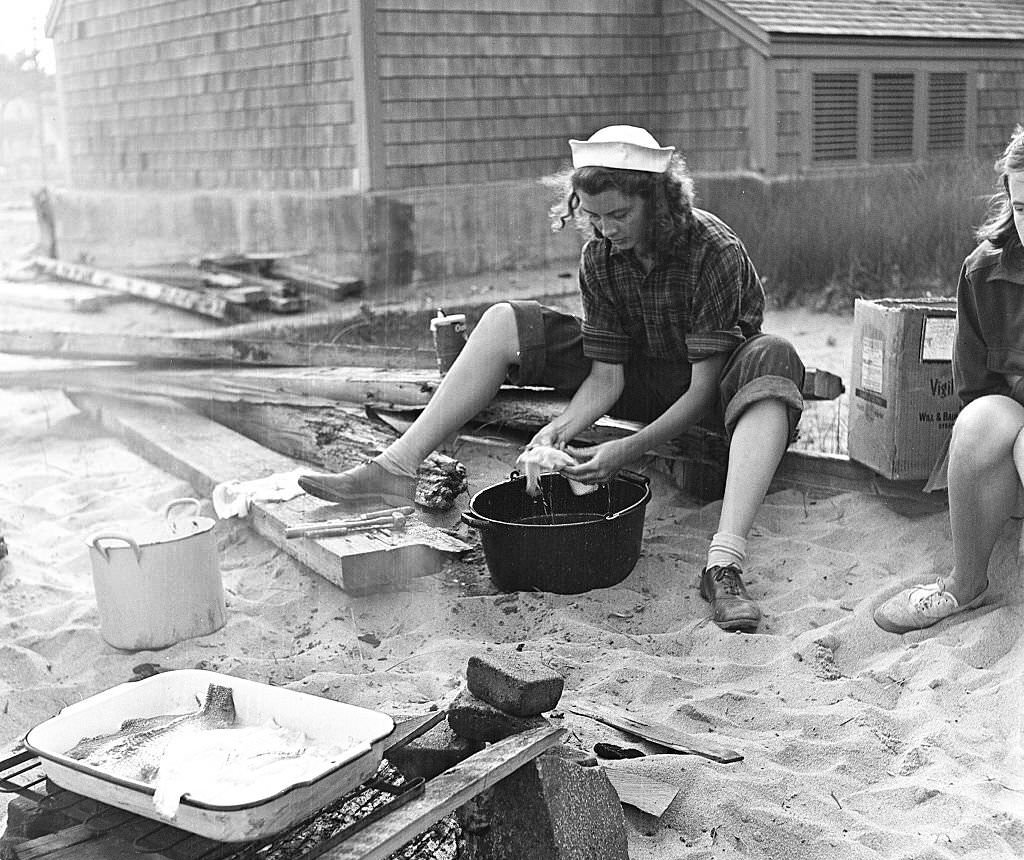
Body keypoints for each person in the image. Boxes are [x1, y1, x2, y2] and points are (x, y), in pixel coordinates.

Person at [300, 125, 805, 632]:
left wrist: (623, 453)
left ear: (658, 200)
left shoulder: (710, 249)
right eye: (593, 215)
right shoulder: (601, 257)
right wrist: (562, 428)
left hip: (712, 391)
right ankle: (397, 466)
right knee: (504, 320)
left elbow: (700, 390)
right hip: (638, 377)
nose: (606, 229)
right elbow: (608, 378)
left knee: (775, 355)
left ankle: (723, 564)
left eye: (619, 214)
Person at [874, 124, 1024, 633]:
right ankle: (966, 583)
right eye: (1023, 208)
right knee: (982, 420)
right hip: (1013, 441)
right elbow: (976, 389)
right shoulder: (984, 272)